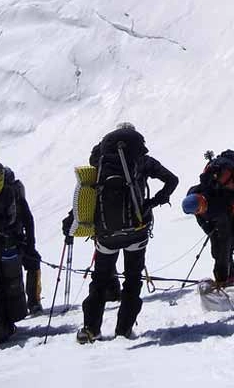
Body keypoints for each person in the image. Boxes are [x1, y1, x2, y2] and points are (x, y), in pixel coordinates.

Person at [74, 122, 179, 343]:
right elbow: (172, 180)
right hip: (137, 229)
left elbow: (89, 191)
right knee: (132, 279)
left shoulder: (100, 161)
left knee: (100, 279)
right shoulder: (142, 159)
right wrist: (152, 203)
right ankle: (124, 329)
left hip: (106, 232)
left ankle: (91, 329)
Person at [182, 150, 234, 287]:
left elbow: (225, 242)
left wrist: (220, 279)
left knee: (225, 250)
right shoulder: (196, 195)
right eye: (198, 211)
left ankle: (226, 280)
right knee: (217, 250)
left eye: (201, 207)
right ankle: (228, 278)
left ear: (201, 199)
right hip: (224, 217)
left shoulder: (216, 208)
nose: (200, 211)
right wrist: (209, 228)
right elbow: (200, 218)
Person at [2, 167, 42, 314]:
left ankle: (12, 306)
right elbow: (28, 220)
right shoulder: (17, 194)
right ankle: (33, 302)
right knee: (33, 263)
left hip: (4, 243)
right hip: (18, 241)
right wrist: (30, 245)